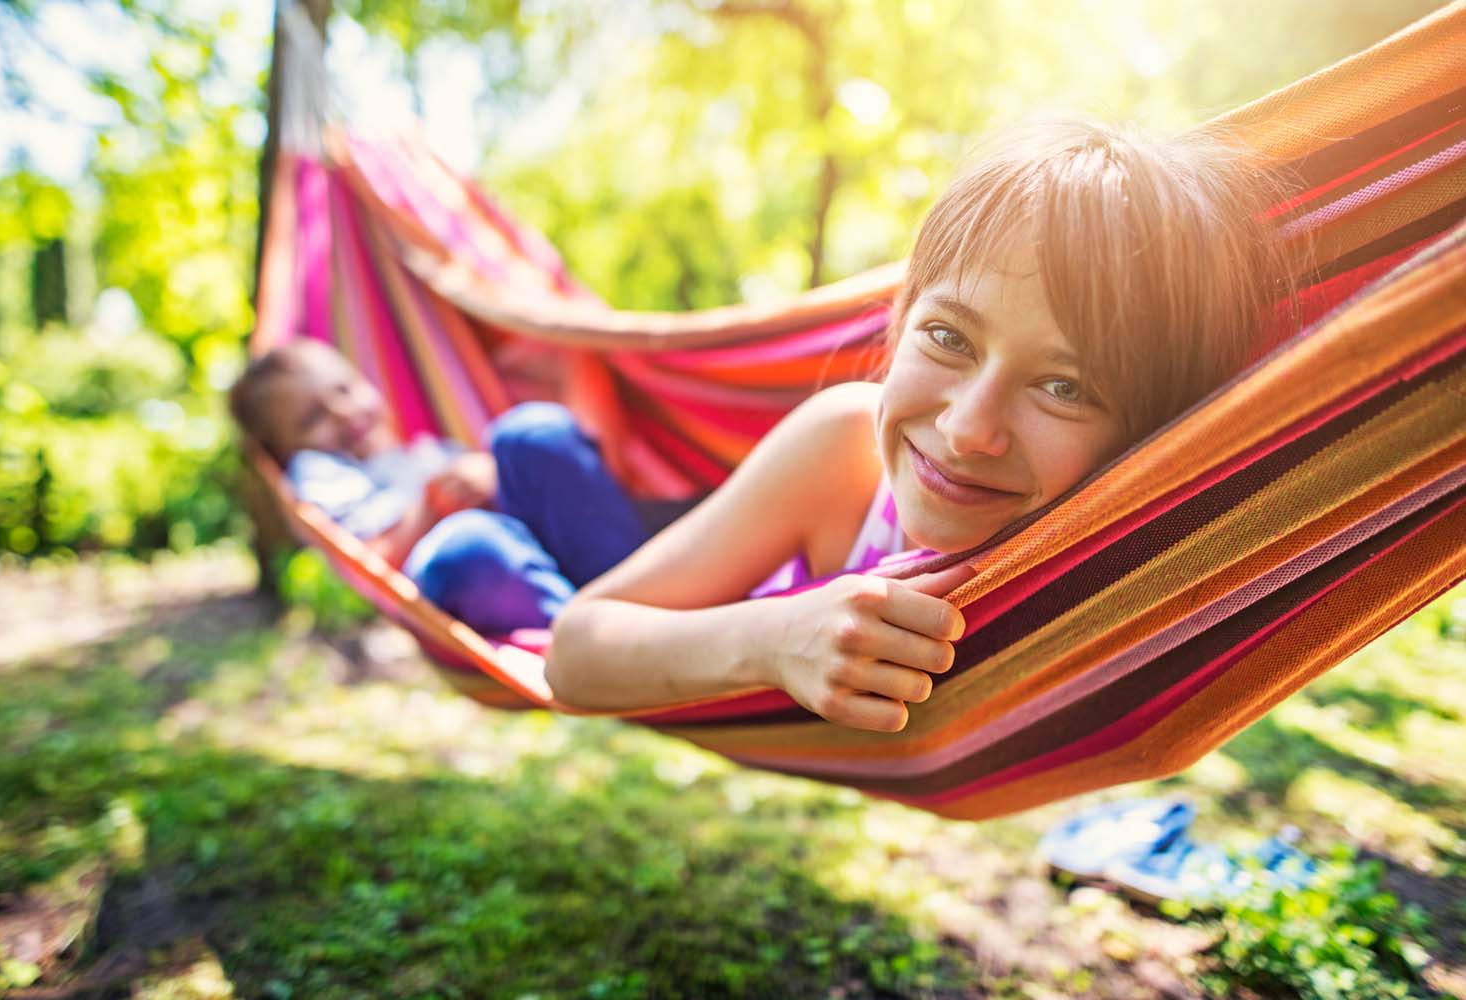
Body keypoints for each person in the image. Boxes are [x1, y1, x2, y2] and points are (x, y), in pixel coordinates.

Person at [543, 120, 1300, 732]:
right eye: (948, 338)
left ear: (1147, 438)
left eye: (1065, 386)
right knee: (511, 485)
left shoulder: (1118, 566)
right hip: (697, 600)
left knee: (479, 540)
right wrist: (774, 642)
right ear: (900, 323)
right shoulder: (843, 450)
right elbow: (574, 651)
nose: (970, 429)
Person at [228, 339, 652, 634]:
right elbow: (374, 557)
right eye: (311, 419)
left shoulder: (428, 451)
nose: (342, 412)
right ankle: (606, 635)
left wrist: (490, 472)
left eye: (345, 388)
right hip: (474, 573)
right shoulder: (321, 473)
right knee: (467, 545)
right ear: (282, 453)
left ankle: (650, 591)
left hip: (572, 558)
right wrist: (435, 503)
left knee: (527, 432)